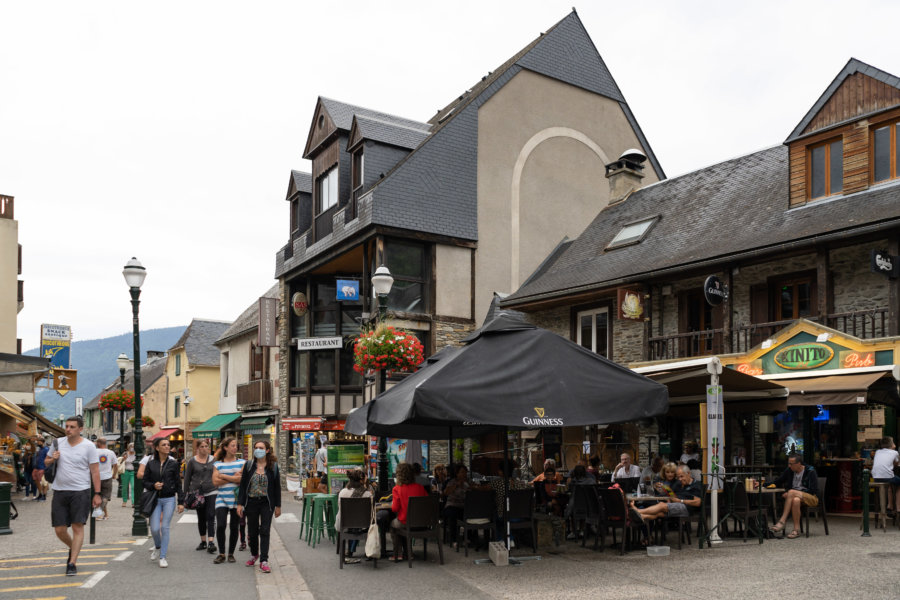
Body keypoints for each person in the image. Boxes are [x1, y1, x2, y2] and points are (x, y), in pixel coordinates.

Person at [43, 416, 101, 576]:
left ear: (80, 429)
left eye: (72, 427)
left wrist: (97, 493)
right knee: (59, 529)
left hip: (81, 491)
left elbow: (95, 471)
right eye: (67, 426)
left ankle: (72, 562)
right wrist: (52, 458)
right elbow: (46, 461)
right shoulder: (57, 443)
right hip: (59, 491)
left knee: (77, 527)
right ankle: (73, 547)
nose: (68, 429)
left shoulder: (89, 446)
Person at [237, 440, 281, 574]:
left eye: (261, 448)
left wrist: (278, 506)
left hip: (267, 503)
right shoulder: (249, 465)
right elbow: (243, 485)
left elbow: (277, 488)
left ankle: (264, 560)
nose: (258, 450)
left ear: (267, 450)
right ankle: (254, 554)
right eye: (256, 448)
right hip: (251, 502)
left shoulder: (273, 467)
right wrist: (240, 503)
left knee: (265, 530)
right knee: (252, 531)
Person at [143, 438, 184, 567]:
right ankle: (157, 545)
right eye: (164, 445)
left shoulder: (174, 464)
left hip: (169, 499)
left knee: (165, 527)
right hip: (155, 499)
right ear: (157, 448)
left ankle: (163, 556)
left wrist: (181, 502)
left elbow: (178, 483)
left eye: (168, 445)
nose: (167, 447)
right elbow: (144, 482)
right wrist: (153, 485)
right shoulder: (151, 464)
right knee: (155, 528)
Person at [630, 465, 702, 529]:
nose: (680, 479)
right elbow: (674, 496)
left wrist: (680, 501)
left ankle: (638, 511)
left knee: (661, 506)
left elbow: (698, 502)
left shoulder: (696, 485)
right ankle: (642, 516)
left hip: (686, 508)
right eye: (678, 477)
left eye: (681, 476)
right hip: (676, 505)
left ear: (688, 473)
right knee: (658, 513)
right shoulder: (681, 484)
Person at [766, 453, 819, 539]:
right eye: (788, 463)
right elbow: (778, 481)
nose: (789, 466)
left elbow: (813, 490)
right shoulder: (789, 470)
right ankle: (796, 530)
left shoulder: (810, 471)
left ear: (799, 464)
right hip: (796, 497)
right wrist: (762, 484)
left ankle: (782, 521)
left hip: (811, 498)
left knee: (791, 492)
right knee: (796, 500)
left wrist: (794, 492)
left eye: (791, 464)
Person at [212, 437, 245, 564]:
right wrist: (232, 477)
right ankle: (221, 553)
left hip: (236, 499)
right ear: (225, 447)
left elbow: (241, 480)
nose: (235, 448)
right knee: (220, 525)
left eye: (236, 445)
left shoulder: (242, 463)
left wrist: (223, 476)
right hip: (221, 498)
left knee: (234, 527)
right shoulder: (217, 464)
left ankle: (231, 553)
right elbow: (215, 482)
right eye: (232, 445)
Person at [184, 439, 218, 553]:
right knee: (201, 517)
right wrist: (185, 495)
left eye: (206, 446)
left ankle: (211, 542)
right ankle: (203, 541)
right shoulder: (192, 461)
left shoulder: (213, 460)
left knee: (211, 515)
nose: (204, 448)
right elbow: (187, 478)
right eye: (202, 446)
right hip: (197, 493)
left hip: (212, 490)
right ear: (197, 448)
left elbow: (217, 474)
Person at [389, 462, 428, 561]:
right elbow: (426, 504)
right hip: (422, 523)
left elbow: (394, 509)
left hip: (406, 523)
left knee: (394, 525)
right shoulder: (420, 487)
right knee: (401, 524)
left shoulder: (397, 489)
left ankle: (398, 554)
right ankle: (408, 553)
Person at [334, 468, 372, 564]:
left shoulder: (342, 492)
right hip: (362, 526)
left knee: (353, 521)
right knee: (360, 522)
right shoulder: (367, 494)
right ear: (361, 480)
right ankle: (370, 552)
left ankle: (349, 551)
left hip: (344, 524)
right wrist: (366, 485)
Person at [442, 464, 472, 548]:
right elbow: (446, 492)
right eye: (462, 472)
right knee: (453, 514)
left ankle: (468, 538)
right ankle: (454, 540)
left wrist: (471, 487)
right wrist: (456, 485)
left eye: (465, 472)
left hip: (464, 506)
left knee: (471, 514)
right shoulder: (452, 481)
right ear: (457, 473)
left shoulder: (468, 482)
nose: (464, 474)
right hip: (452, 505)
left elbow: (473, 492)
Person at [872, 436, 900, 514]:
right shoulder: (895, 452)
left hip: (876, 478)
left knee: (891, 485)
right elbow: (896, 464)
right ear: (892, 445)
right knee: (897, 483)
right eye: (893, 442)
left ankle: (890, 506)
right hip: (888, 477)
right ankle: (898, 508)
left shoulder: (878, 451)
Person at [94, 438, 117, 520]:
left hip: (96, 477)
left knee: (98, 495)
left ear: (99, 443)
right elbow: (115, 465)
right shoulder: (111, 453)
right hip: (107, 477)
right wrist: (114, 474)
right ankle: (100, 514)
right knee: (105, 497)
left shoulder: (94, 452)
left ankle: (101, 514)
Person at [32, 437, 49, 502]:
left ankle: (44, 496)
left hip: (43, 468)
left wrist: (46, 468)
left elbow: (48, 458)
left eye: (39, 441)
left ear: (42, 442)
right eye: (37, 441)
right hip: (37, 467)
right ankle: (40, 494)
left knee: (44, 483)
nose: (37, 442)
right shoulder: (40, 449)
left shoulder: (46, 449)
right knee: (37, 482)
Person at [120, 443, 136, 508]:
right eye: (131, 446)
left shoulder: (137, 454)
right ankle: (124, 501)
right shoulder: (125, 453)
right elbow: (119, 462)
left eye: (133, 446)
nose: (132, 448)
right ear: (128, 447)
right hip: (125, 471)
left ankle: (133, 502)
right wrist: (124, 459)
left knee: (133, 487)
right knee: (124, 487)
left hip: (133, 472)